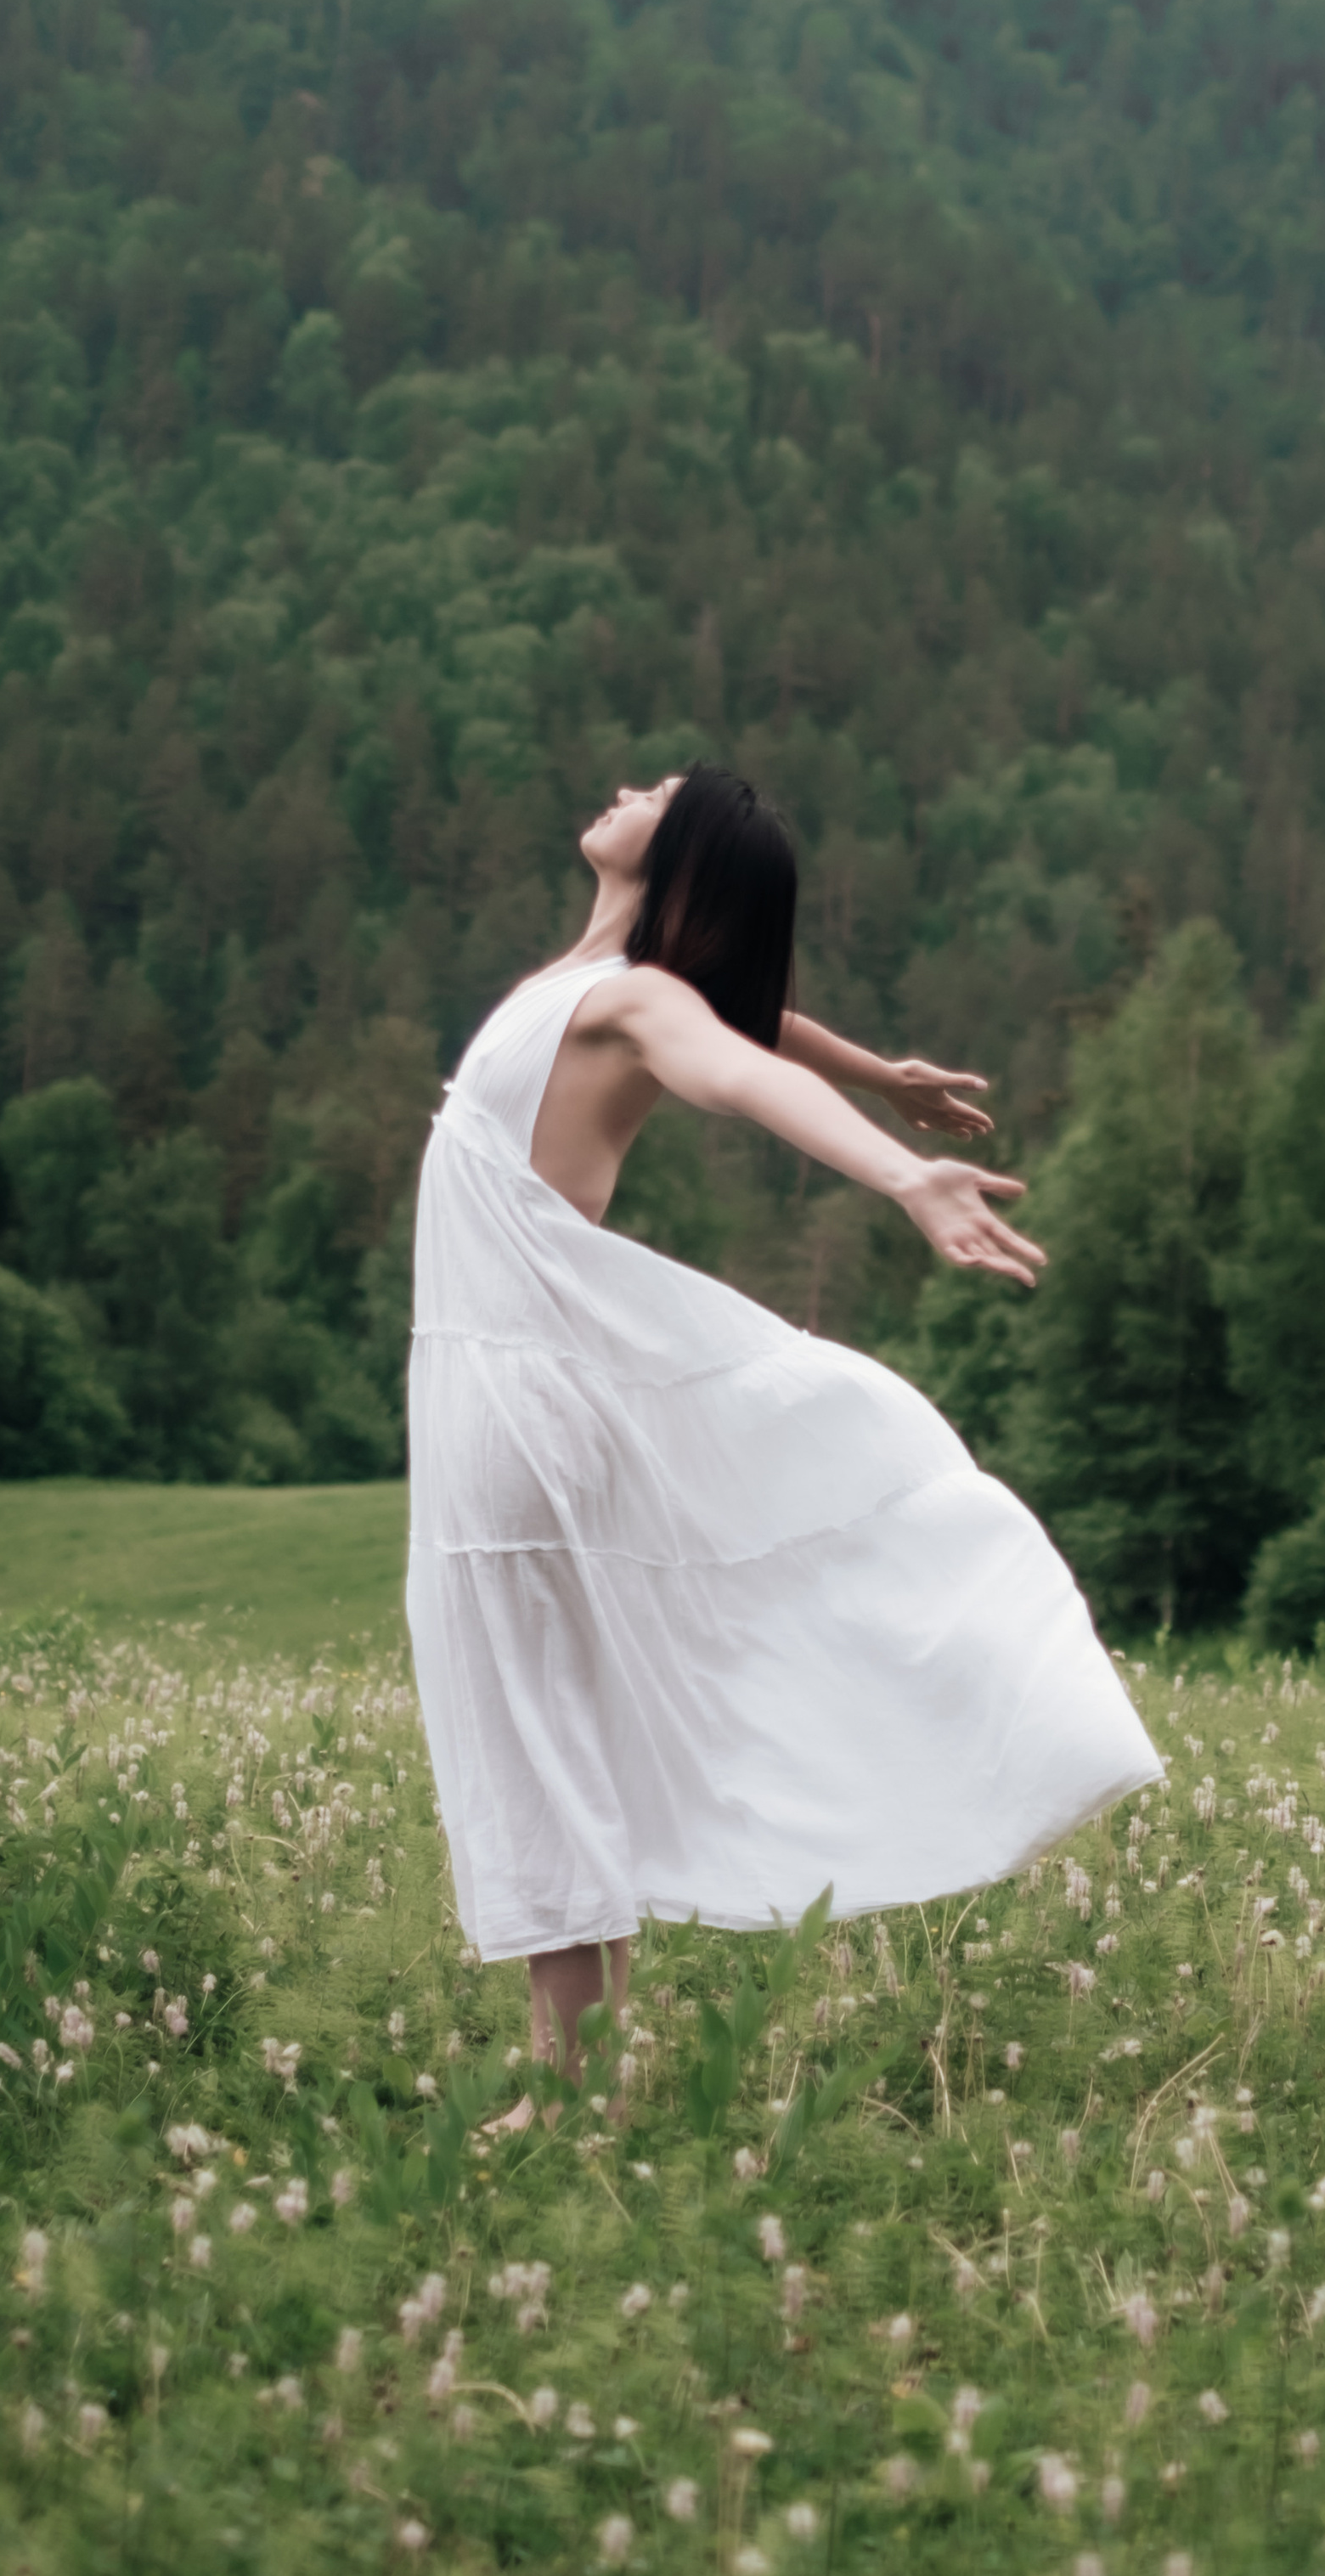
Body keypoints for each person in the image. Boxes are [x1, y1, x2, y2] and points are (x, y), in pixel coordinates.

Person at [403, 764, 1161, 2126]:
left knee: (525, 1716)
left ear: (682, 857)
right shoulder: (610, 977)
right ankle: (578, 2076)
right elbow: (759, 1028)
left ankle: (570, 2094)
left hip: (513, 1384)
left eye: (657, 791)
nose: (624, 784)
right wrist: (882, 1071)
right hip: (506, 1372)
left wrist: (896, 1169)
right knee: (539, 1710)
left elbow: (735, 1068)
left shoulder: (637, 1003)